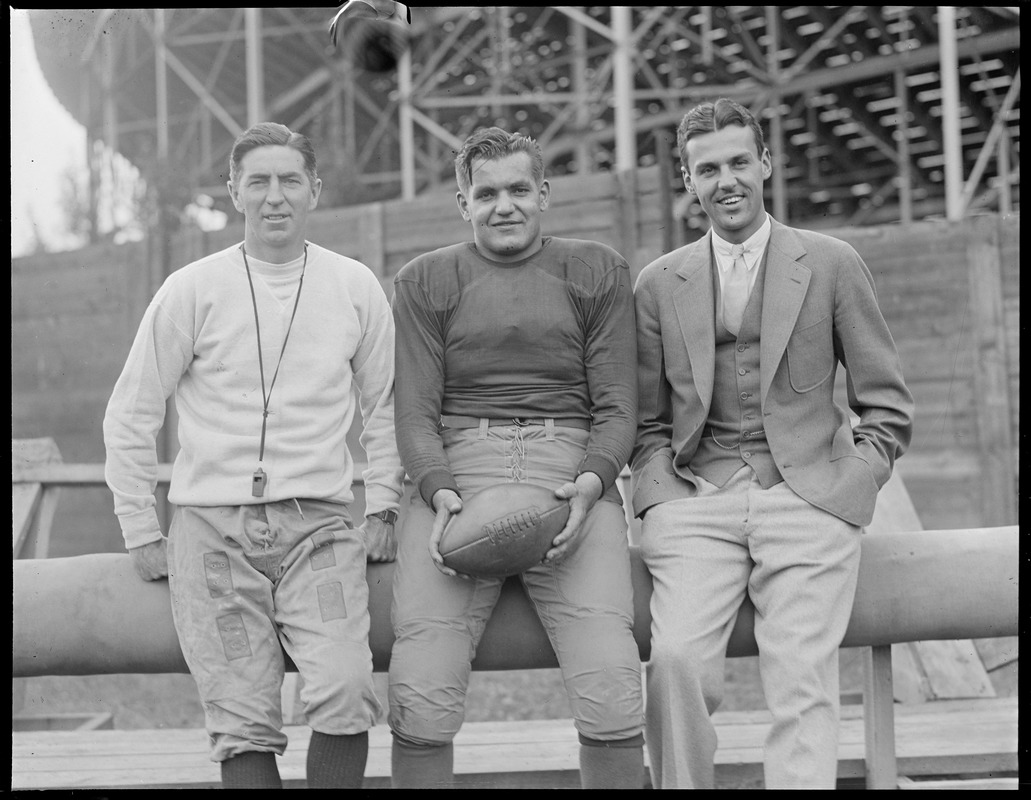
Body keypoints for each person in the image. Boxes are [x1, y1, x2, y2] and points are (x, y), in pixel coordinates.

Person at [103, 122, 405, 789]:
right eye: (259, 181)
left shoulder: (354, 286)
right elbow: (132, 410)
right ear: (234, 190)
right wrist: (139, 528)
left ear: (314, 191)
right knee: (241, 713)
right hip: (213, 533)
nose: (275, 197)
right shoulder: (191, 287)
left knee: (347, 687)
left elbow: (384, 405)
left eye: (290, 180)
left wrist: (383, 503)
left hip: (318, 528)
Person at [631, 98, 914, 789]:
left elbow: (886, 402)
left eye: (736, 162)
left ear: (763, 163)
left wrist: (851, 480)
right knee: (674, 663)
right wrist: (661, 497)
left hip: (809, 498)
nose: (724, 181)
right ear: (687, 179)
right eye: (706, 169)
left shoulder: (830, 262)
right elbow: (644, 423)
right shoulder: (657, 283)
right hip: (697, 500)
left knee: (800, 676)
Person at [387, 126, 645, 789]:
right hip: (461, 469)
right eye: (487, 193)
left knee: (613, 687)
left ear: (544, 194)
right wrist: (438, 491)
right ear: (462, 202)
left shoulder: (596, 268)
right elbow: (414, 409)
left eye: (519, 190)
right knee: (419, 691)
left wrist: (591, 484)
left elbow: (617, 402)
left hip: (568, 468)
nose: (504, 206)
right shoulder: (424, 280)